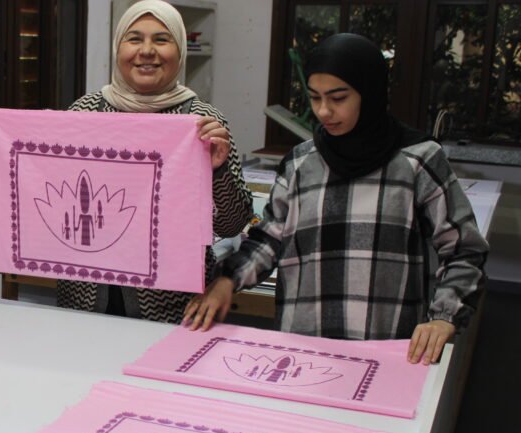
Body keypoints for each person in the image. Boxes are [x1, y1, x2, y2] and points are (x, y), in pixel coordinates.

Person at [184, 33, 488, 365]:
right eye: (314, 98)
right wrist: (228, 279)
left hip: (386, 349)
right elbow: (270, 240)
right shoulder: (301, 163)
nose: (324, 111)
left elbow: (464, 249)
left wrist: (444, 316)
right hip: (303, 347)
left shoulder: (418, 161)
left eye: (338, 98)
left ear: (369, 92)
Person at [0, 0, 253, 323]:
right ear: (118, 48)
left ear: (180, 50)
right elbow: (48, 191)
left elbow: (232, 224)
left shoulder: (203, 122)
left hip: (172, 309)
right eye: (134, 39)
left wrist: (218, 171)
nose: (147, 51)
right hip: (83, 304)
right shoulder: (85, 113)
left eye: (161, 39)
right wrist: (0, 154)